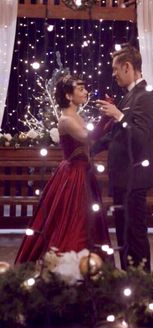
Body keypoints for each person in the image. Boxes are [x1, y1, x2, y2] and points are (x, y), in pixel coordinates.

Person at [15, 76, 110, 263]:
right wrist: (107, 117)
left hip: (83, 173)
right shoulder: (65, 120)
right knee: (72, 220)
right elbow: (87, 137)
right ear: (68, 95)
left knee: (86, 219)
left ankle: (87, 263)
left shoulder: (77, 115)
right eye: (80, 89)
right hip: (72, 175)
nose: (86, 92)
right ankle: (69, 263)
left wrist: (111, 120)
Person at [92, 45, 153, 271]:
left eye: (115, 69)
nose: (113, 74)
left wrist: (118, 115)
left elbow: (140, 138)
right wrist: (86, 149)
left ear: (128, 67)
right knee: (123, 234)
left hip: (134, 179)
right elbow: (115, 135)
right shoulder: (131, 96)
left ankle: (142, 283)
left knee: (135, 234)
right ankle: (129, 279)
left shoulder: (146, 96)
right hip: (123, 179)